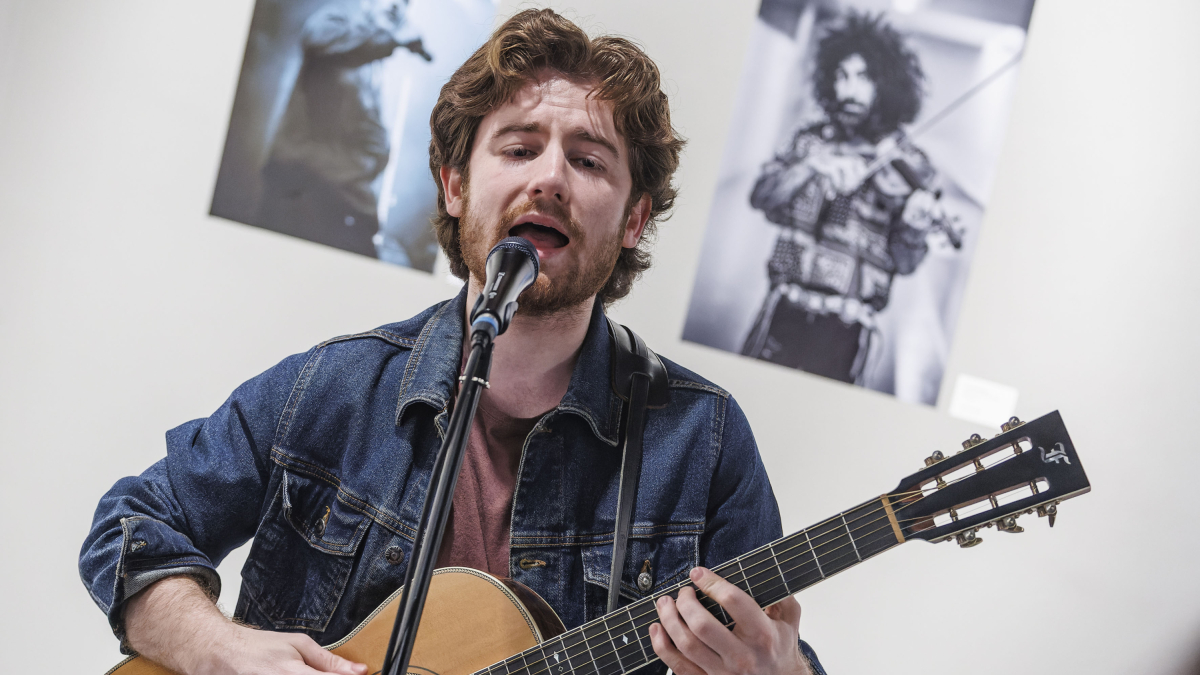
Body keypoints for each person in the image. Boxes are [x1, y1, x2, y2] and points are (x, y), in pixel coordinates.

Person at [80, 9, 826, 675]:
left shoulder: (705, 440)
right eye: (518, 148)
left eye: (589, 160)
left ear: (633, 220)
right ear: (455, 186)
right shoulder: (331, 389)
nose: (550, 179)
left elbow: (770, 639)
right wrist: (220, 648)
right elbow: (129, 525)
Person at [742, 11, 948, 384]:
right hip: (783, 309)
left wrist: (915, 229)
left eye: (863, 77)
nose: (847, 90)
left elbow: (905, 262)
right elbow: (761, 197)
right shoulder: (810, 141)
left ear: (887, 84)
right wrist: (810, 166)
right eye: (841, 76)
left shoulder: (911, 165)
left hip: (846, 332)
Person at [256, 0, 432, 258]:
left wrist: (376, 157)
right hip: (301, 182)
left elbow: (370, 131)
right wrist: (393, 39)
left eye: (406, 2)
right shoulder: (338, 22)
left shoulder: (371, 62)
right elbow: (319, 39)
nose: (397, 5)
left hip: (341, 187)